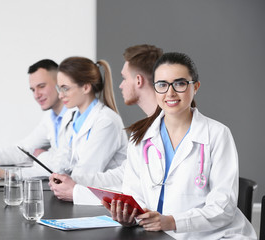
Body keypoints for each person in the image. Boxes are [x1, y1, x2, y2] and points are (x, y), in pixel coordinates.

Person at [104, 52, 257, 239]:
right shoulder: (140, 137)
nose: (170, 93)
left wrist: (173, 222)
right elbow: (133, 195)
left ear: (196, 87)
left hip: (216, 236)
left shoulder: (217, 134)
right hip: (159, 234)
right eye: (162, 85)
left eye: (180, 83)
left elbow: (223, 207)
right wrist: (129, 217)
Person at [49, 45, 163, 205]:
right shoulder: (143, 130)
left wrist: (77, 191)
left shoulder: (163, 129)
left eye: (124, 79)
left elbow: (140, 193)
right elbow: (125, 174)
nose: (120, 85)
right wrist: (73, 182)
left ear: (138, 80)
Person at [0, 59, 75, 178]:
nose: (36, 95)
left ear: (60, 83)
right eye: (33, 89)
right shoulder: (51, 118)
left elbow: (65, 168)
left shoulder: (76, 116)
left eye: (41, 86)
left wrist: (41, 156)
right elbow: (25, 149)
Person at [48, 56, 128, 201]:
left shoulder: (106, 121)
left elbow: (87, 171)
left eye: (65, 88)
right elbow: (63, 161)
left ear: (85, 87)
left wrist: (65, 180)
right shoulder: (74, 117)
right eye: (59, 88)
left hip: (106, 201)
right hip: (83, 195)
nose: (60, 95)